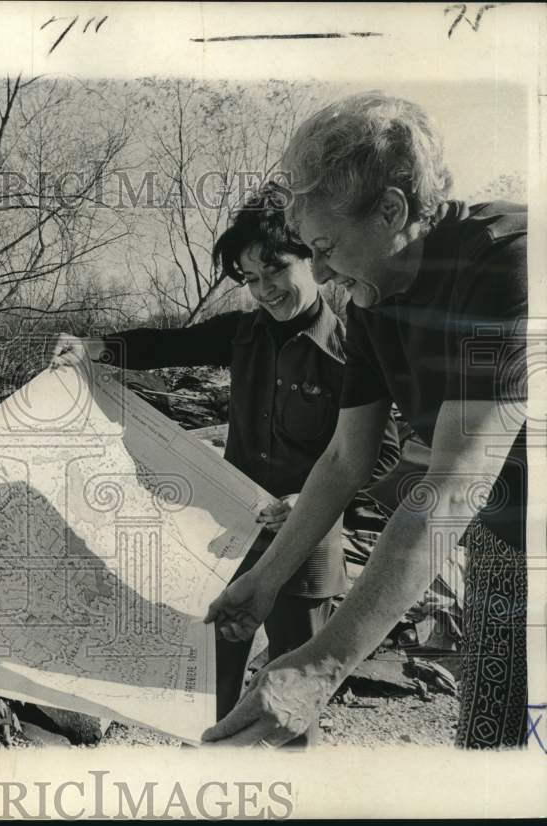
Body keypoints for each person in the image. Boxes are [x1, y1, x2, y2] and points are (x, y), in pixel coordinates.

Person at [203, 92, 528, 749]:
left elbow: (453, 480)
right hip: (501, 531)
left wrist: (324, 662)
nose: (319, 272)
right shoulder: (372, 300)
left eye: (325, 247)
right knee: (490, 742)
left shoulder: (509, 259)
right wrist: (262, 582)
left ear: (391, 210)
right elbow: (343, 461)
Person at [52, 185, 401, 741]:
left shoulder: (352, 347)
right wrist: (95, 347)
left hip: (307, 546)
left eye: (275, 271)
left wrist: (308, 502)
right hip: (230, 538)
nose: (264, 290)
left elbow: (381, 452)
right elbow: (165, 346)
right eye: (250, 279)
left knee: (290, 688)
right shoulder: (241, 334)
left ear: (311, 258)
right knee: (216, 679)